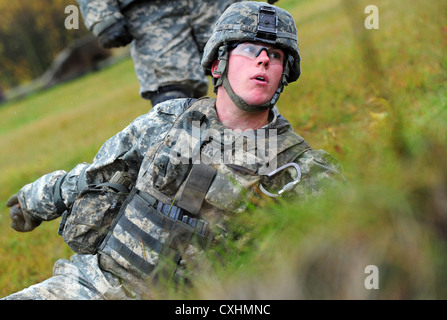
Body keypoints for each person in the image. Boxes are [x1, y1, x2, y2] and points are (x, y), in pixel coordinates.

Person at [3, 1, 343, 300]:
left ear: (284, 74)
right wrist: (34, 201)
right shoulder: (170, 118)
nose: (265, 60)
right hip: (101, 283)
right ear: (217, 65)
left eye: (277, 55)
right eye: (251, 51)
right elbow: (96, 174)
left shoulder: (299, 170)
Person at [76, 0, 248, 106]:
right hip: (150, 13)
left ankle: (265, 153)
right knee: (172, 99)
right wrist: (102, 15)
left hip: (214, 6)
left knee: (246, 71)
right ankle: (187, 162)